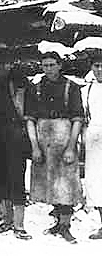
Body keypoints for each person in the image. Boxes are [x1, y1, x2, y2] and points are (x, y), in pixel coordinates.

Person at [24, 51, 84, 244]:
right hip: (43, 137)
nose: (48, 69)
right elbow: (30, 119)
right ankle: (57, 223)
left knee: (65, 183)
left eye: (52, 65)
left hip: (64, 135)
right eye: (45, 65)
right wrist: (35, 146)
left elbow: (77, 119)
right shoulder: (36, 88)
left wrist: (71, 147)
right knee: (50, 182)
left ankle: (66, 226)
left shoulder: (71, 88)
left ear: (59, 65)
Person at [0, 46, 32, 240]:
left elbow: (27, 110)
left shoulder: (20, 82)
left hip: (15, 134)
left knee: (16, 177)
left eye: (4, 63)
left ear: (11, 63)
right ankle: (7, 219)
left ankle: (19, 224)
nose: (1, 67)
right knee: (0, 176)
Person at [81, 49, 102, 240]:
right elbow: (83, 117)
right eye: (96, 66)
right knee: (97, 183)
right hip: (95, 140)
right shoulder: (86, 90)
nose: (100, 69)